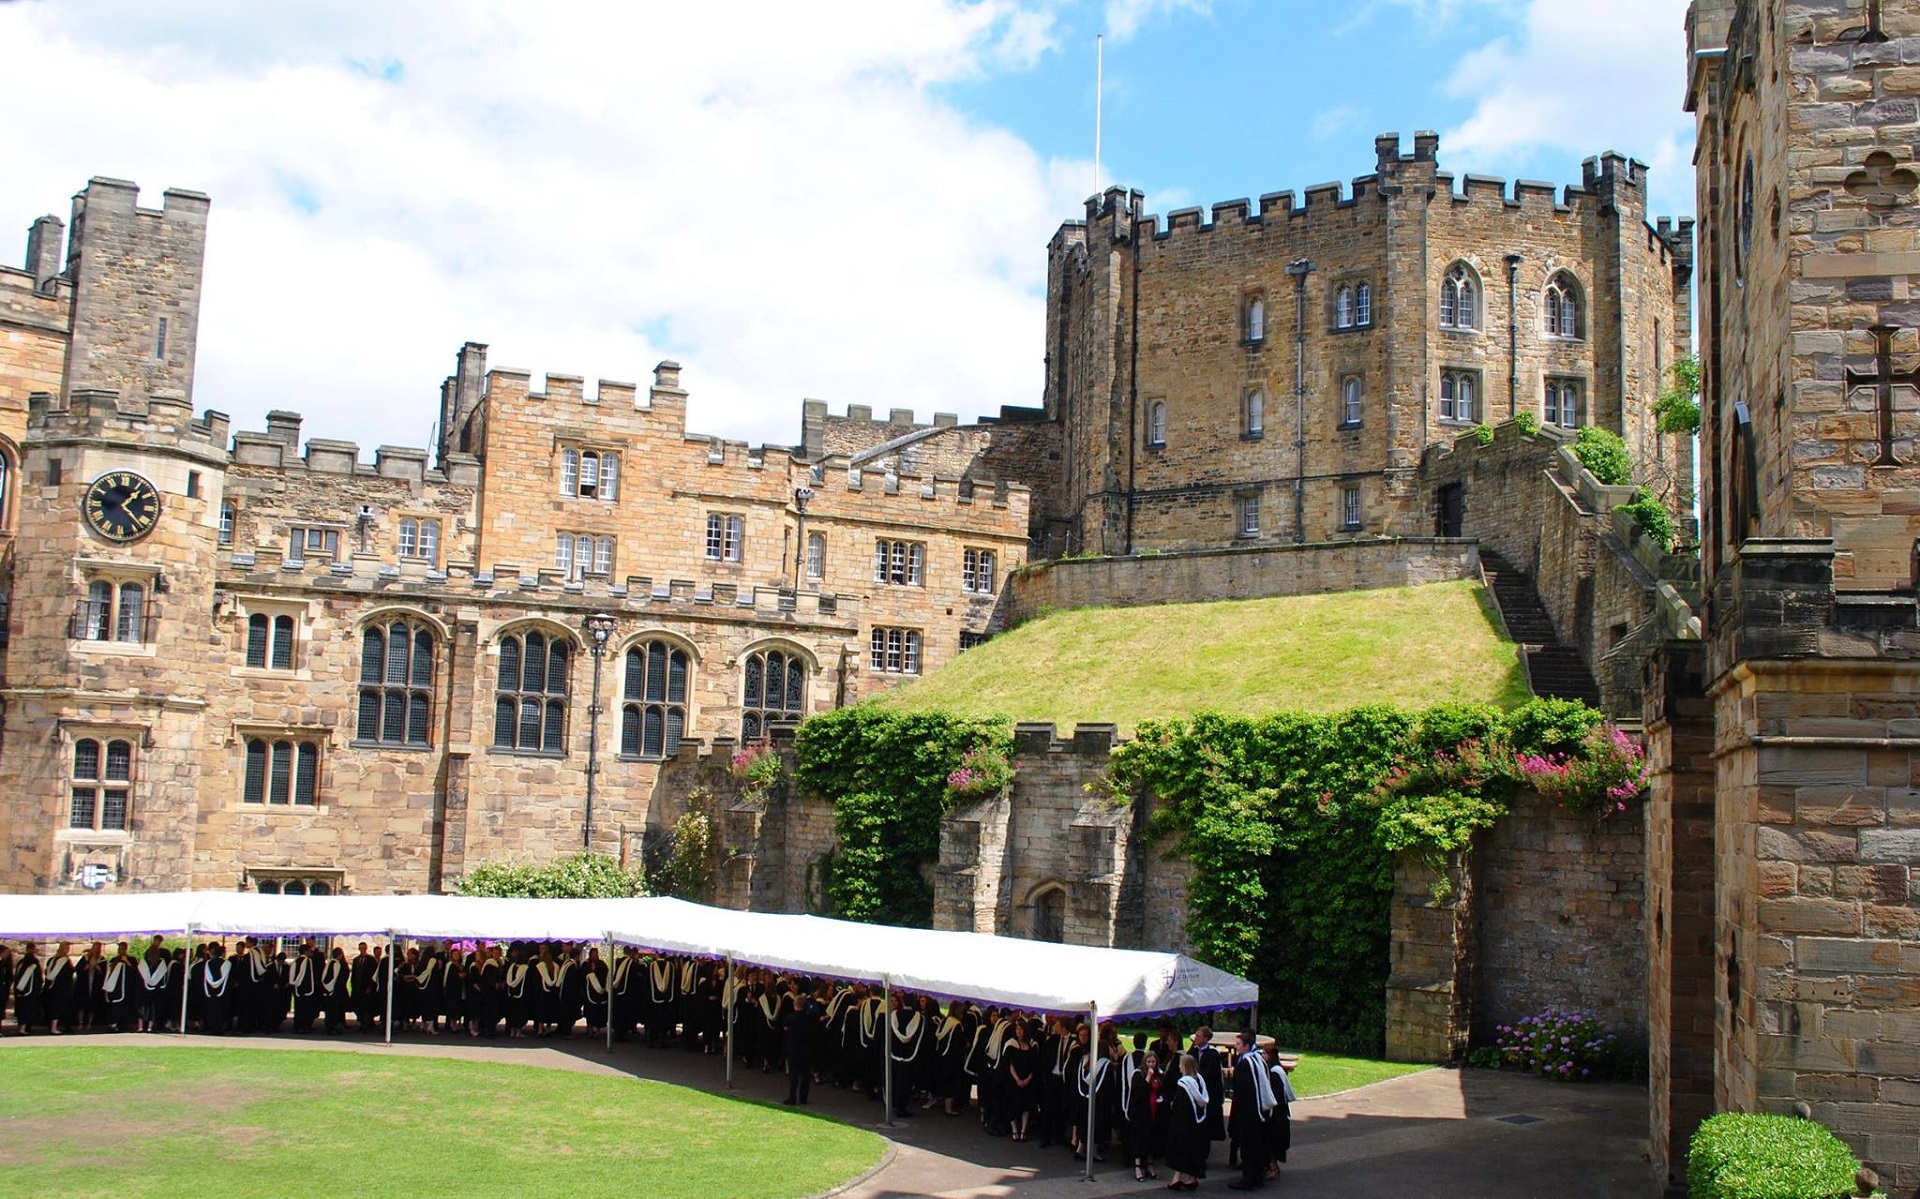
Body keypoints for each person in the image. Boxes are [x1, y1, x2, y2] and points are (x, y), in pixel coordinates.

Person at [1226, 1030, 1276, 1190]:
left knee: (1248, 1147)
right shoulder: (1258, 1060)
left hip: (1249, 1113)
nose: (1236, 1046)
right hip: (1261, 1111)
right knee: (1257, 1146)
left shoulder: (1245, 1063)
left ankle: (1248, 1180)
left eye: (1238, 1044)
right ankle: (1257, 1178)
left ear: (1247, 1046)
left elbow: (1241, 1090)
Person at [1164, 1053, 1210, 1191]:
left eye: (1180, 1064)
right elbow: (1202, 1101)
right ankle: (1191, 1178)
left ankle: (1177, 1179)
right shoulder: (1199, 1080)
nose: (1178, 1066)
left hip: (1183, 1123)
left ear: (1184, 1066)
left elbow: (1179, 1106)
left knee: (1180, 1150)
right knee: (1192, 1151)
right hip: (1197, 1124)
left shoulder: (1184, 1084)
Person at [783, 982, 825, 1106]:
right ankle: (803, 1097)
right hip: (806, 1049)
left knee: (794, 1075)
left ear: (794, 1004)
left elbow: (785, 1028)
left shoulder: (791, 1018)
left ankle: (792, 1097)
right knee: (805, 1075)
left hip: (794, 1048)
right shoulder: (809, 1019)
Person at [1001, 1018, 1040, 1142]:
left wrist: (1028, 1079)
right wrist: (1017, 1079)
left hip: (1028, 1081)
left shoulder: (1032, 1046)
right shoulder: (1011, 1045)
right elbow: (1009, 1064)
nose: (1019, 1032)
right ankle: (1014, 1130)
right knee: (1013, 1105)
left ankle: (1023, 1131)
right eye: (1017, 1029)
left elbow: (1034, 1065)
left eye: (1021, 1030)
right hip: (1014, 1081)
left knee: (1026, 1106)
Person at [1126, 1048, 1162, 1181]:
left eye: (1153, 1061)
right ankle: (1137, 1167)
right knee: (1139, 1139)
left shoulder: (1158, 1075)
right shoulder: (1138, 1075)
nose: (1151, 1064)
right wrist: (1148, 1077)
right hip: (1141, 1113)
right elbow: (1138, 1093)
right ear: (1144, 1062)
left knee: (1151, 1140)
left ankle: (1150, 1165)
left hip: (1154, 1111)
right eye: (1149, 1061)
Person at [1263, 1044, 1295, 1182]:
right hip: (1279, 1113)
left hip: (1276, 1115)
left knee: (1272, 1142)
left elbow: (1275, 1097)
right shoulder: (1278, 1070)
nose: (1262, 1056)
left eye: (1264, 1054)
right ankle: (1271, 1166)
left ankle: (1273, 1167)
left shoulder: (1275, 1073)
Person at [1193, 1026, 1227, 1146]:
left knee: (1207, 1125)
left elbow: (1208, 1074)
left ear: (1206, 1038)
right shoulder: (1194, 1051)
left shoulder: (1213, 1054)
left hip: (1209, 1093)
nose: (1195, 1038)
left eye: (1198, 1035)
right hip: (1196, 1092)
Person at [134, 944, 169, 1033]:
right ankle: (149, 1027)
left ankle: (140, 1027)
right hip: (156, 990)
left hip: (143, 989)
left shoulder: (143, 963)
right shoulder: (161, 963)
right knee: (153, 1008)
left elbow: (139, 977)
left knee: (142, 1007)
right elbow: (163, 978)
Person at [349, 941, 380, 1034]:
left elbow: (373, 975)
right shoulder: (356, 960)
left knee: (366, 1007)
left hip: (367, 988)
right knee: (358, 1006)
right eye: (360, 948)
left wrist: (370, 987)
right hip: (358, 988)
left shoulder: (370, 960)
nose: (362, 950)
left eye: (364, 948)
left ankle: (365, 1026)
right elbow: (354, 974)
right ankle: (362, 1023)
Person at [13, 944, 43, 1034]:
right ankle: (24, 1028)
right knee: (27, 1008)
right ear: (32, 949)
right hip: (29, 990)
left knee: (22, 1008)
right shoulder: (32, 962)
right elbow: (38, 976)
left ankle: (23, 1027)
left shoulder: (21, 961)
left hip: (21, 989)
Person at [321, 947, 350, 1035]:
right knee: (334, 1010)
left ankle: (331, 1026)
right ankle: (332, 1027)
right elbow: (336, 978)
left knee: (330, 1010)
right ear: (340, 955)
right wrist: (331, 988)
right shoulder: (336, 964)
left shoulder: (329, 963)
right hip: (335, 991)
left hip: (329, 991)